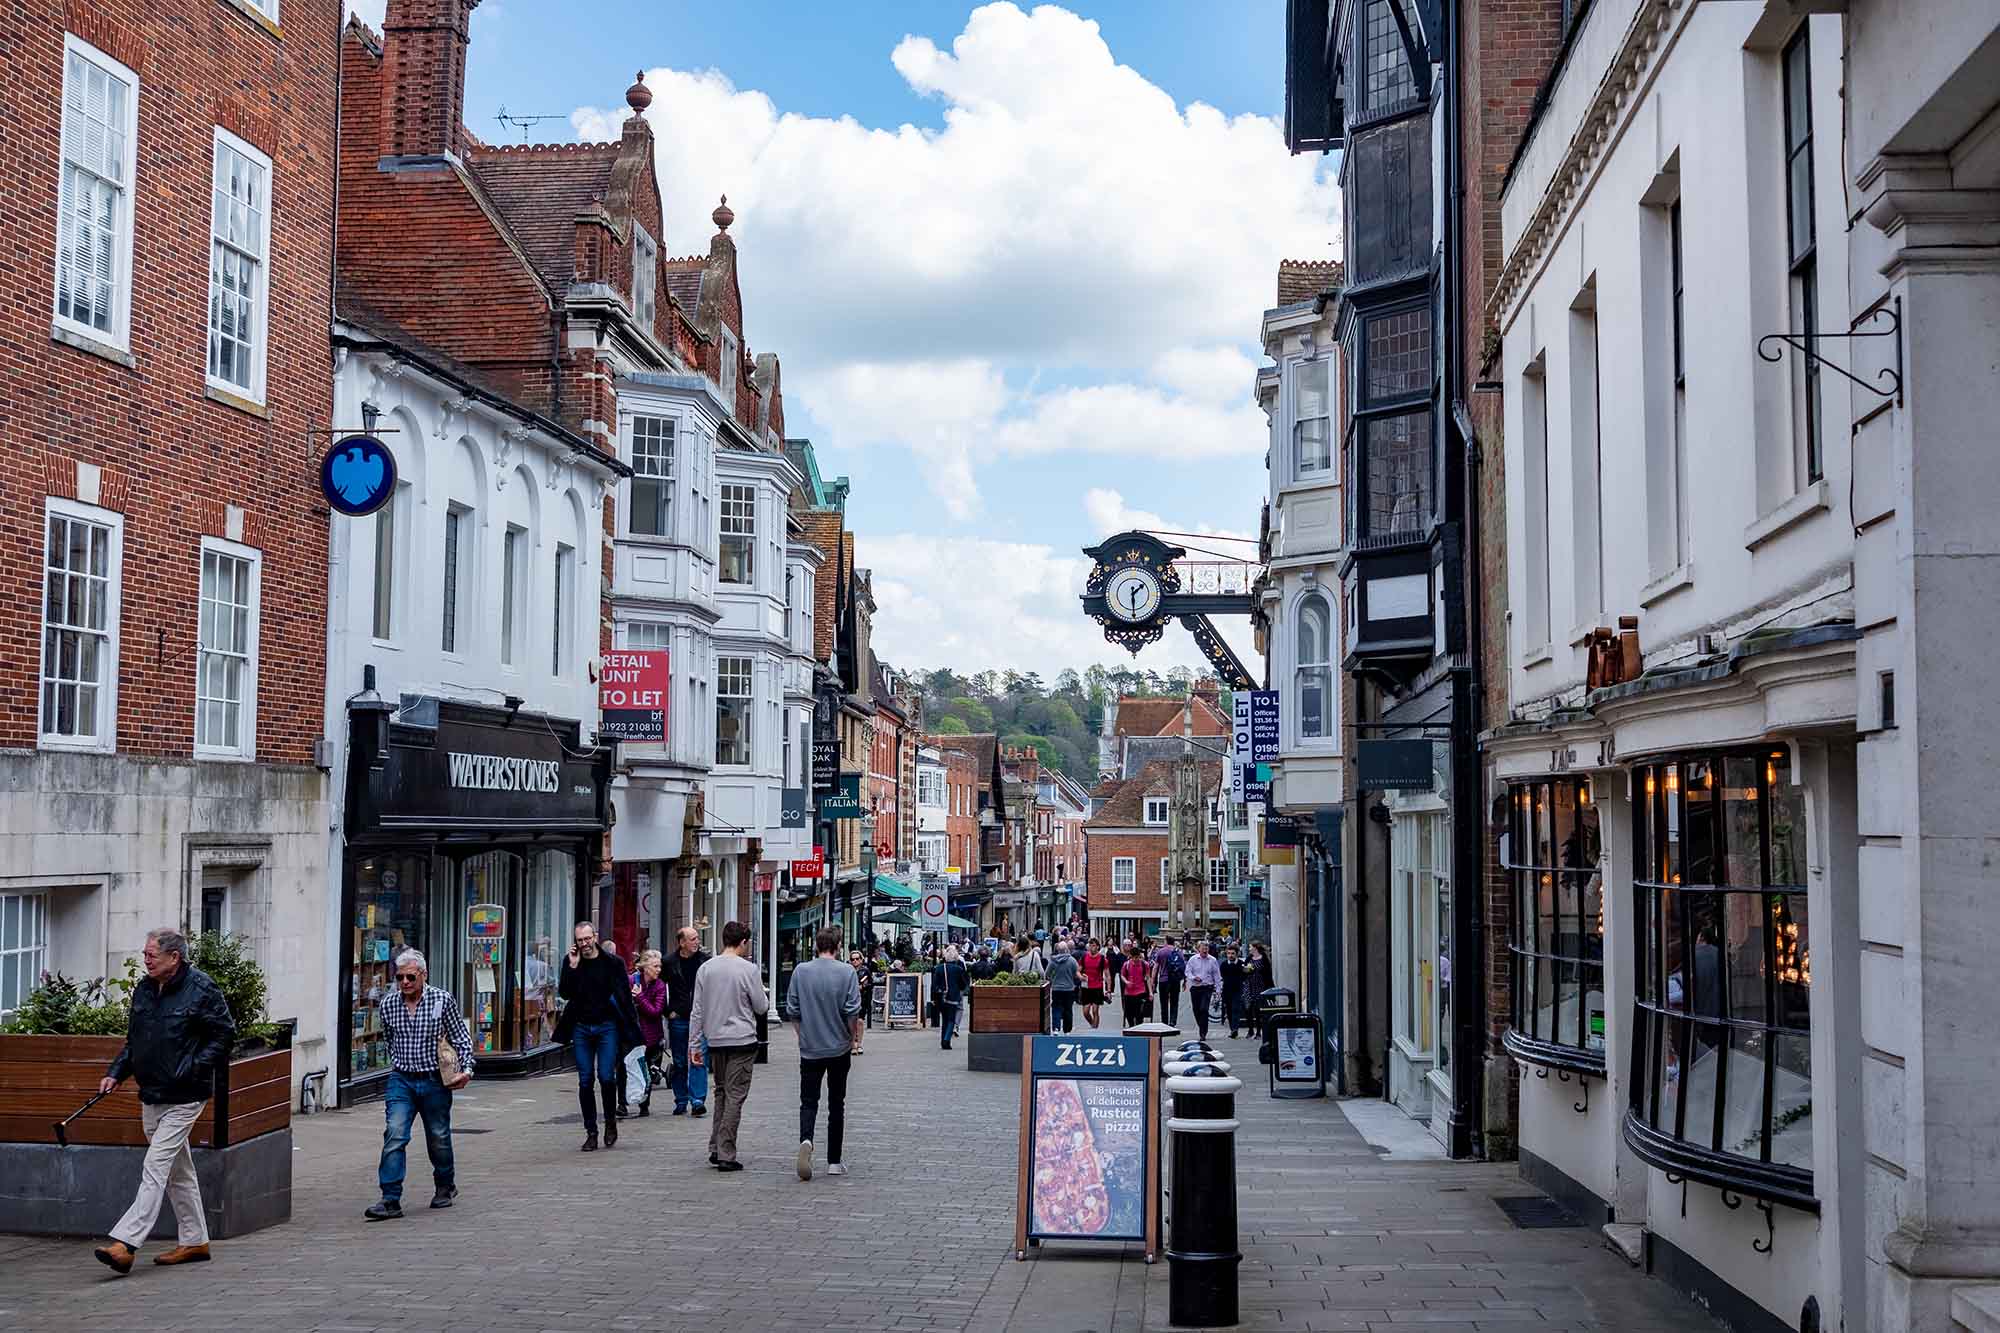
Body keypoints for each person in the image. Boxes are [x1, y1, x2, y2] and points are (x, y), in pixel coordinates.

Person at [92, 929, 237, 1273]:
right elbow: (135, 1040)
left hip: (186, 1095)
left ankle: (125, 1243)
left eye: (151, 955)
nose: (146, 960)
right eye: (144, 955)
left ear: (175, 957)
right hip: (152, 1093)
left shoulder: (201, 988)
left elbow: (224, 1034)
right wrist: (115, 1072)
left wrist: (193, 1067)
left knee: (155, 1167)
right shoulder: (144, 989)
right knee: (177, 1170)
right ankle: (195, 1241)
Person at [361, 949, 474, 1221]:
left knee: (438, 1137)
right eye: (399, 977)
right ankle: (390, 1200)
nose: (405, 983)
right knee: (395, 1133)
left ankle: (445, 1185)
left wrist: (467, 1070)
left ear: (423, 975)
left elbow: (461, 1038)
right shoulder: (389, 1005)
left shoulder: (442, 1000)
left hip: (435, 1080)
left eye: (410, 977)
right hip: (402, 1080)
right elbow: (388, 1038)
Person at [554, 921, 641, 1152]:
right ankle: (591, 1132)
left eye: (587, 939)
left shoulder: (613, 963)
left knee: (606, 1077)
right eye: (579, 940)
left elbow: (624, 996)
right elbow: (564, 993)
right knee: (584, 1080)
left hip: (607, 1026)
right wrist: (572, 968)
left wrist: (634, 1032)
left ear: (595, 936)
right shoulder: (572, 962)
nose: (583, 944)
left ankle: (610, 1122)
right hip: (581, 1027)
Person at [688, 921, 768, 1171]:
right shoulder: (749, 969)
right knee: (735, 1095)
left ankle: (715, 1147)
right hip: (742, 1039)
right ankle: (726, 1152)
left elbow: (697, 1010)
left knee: (722, 1092)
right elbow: (761, 1006)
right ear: (743, 942)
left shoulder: (706, 969)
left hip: (715, 1040)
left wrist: (694, 1044)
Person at [787, 928, 863, 1181]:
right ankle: (833, 1161)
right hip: (838, 1048)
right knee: (836, 1104)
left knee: (808, 1102)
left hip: (810, 1048)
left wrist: (802, 1035)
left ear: (816, 946)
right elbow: (852, 1011)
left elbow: (793, 1010)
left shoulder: (800, 971)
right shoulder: (847, 972)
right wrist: (852, 1037)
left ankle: (806, 1140)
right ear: (838, 946)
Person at [662, 927, 710, 1116]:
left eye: (697, 938)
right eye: (692, 939)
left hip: (700, 1019)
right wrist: (668, 1011)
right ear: (681, 942)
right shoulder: (669, 962)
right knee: (680, 1061)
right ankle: (681, 1099)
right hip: (679, 1019)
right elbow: (659, 988)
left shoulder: (705, 961)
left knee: (698, 1059)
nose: (696, 942)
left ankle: (697, 1100)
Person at [627, 950, 668, 1117]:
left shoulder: (660, 986)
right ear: (644, 967)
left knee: (647, 1072)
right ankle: (622, 1103)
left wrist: (640, 997)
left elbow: (656, 1011)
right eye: (655, 966)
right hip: (632, 1034)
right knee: (627, 1068)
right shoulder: (630, 981)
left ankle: (644, 1104)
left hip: (652, 1036)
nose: (658, 969)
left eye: (660, 966)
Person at [931, 945, 970, 1050]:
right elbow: (963, 984)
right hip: (953, 996)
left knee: (944, 1019)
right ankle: (946, 1040)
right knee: (951, 1019)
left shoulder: (938, 968)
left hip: (941, 996)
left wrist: (934, 998)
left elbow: (934, 985)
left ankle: (943, 1039)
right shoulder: (958, 969)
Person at [1185, 940, 1221, 1041]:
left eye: (1206, 948)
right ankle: (1201, 1026)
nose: (1205, 950)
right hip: (1195, 988)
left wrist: (1218, 990)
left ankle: (1203, 1033)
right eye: (1203, 948)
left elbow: (1217, 976)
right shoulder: (1193, 959)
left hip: (1207, 987)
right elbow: (1187, 971)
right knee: (1196, 1010)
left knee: (1204, 1009)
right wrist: (1193, 977)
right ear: (1198, 949)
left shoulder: (1212, 960)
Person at [1045, 940, 1080, 1033]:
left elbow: (1047, 973)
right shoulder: (1072, 960)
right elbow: (1076, 974)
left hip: (1056, 988)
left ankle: (1056, 1028)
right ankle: (1067, 1030)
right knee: (1068, 1009)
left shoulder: (1053, 961)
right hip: (1069, 989)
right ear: (1067, 949)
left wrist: (1052, 980)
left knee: (1056, 1008)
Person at [1152, 935, 1186, 1027]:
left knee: (1164, 1002)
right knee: (1174, 1001)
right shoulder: (1178, 952)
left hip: (1163, 979)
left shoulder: (1161, 951)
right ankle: (1173, 1021)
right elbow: (1183, 966)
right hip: (1175, 980)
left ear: (1166, 941)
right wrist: (1184, 980)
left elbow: (1155, 967)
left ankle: (1164, 1021)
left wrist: (1153, 981)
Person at [1077, 938, 1110, 1030]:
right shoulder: (1084, 958)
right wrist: (1080, 977)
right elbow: (1077, 971)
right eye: (1090, 945)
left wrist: (1109, 990)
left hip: (1097, 987)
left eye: (1094, 945)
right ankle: (1093, 1025)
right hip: (1086, 987)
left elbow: (1108, 975)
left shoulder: (1103, 959)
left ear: (1098, 947)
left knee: (1095, 1010)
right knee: (1085, 1012)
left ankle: (1095, 1030)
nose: (1092, 948)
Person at [1118, 944, 1151, 1029]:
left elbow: (1148, 978)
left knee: (1139, 1013)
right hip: (1129, 992)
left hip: (1141, 991)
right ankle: (1131, 1027)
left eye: (1137, 957)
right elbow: (1122, 975)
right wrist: (1126, 982)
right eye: (1134, 958)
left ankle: (1138, 1028)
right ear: (1131, 956)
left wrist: (1150, 992)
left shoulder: (1145, 965)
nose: (1136, 959)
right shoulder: (1127, 964)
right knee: (1129, 1013)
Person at [848, 949, 875, 1054]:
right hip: (850, 1000)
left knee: (859, 1021)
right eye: (852, 959)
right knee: (851, 1022)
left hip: (862, 999)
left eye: (857, 959)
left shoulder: (865, 971)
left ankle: (859, 1044)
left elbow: (870, 984)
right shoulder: (848, 970)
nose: (855, 961)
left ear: (861, 959)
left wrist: (863, 986)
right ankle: (852, 1045)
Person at [1220, 945, 1250, 1038]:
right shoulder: (1224, 964)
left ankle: (1235, 1029)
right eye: (1228, 953)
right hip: (1227, 990)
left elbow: (1245, 975)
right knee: (1228, 1010)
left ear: (1237, 954)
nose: (1230, 955)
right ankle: (1232, 1028)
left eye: (1233, 953)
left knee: (1236, 1009)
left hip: (1238, 990)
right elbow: (1222, 976)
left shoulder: (1241, 964)